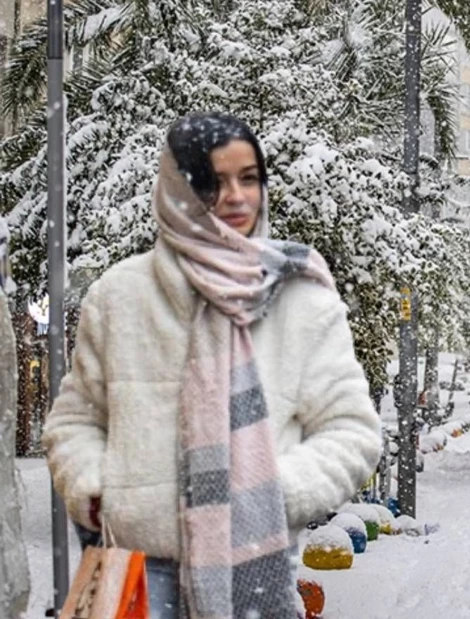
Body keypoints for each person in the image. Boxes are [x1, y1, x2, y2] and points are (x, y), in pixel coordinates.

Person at [42, 112, 382, 618]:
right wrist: (98, 490)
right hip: (135, 568)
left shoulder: (299, 296)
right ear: (177, 190)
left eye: (249, 179)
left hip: (256, 565)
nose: (237, 197)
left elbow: (352, 431)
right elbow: (75, 421)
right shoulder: (119, 296)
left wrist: (270, 492)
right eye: (213, 181)